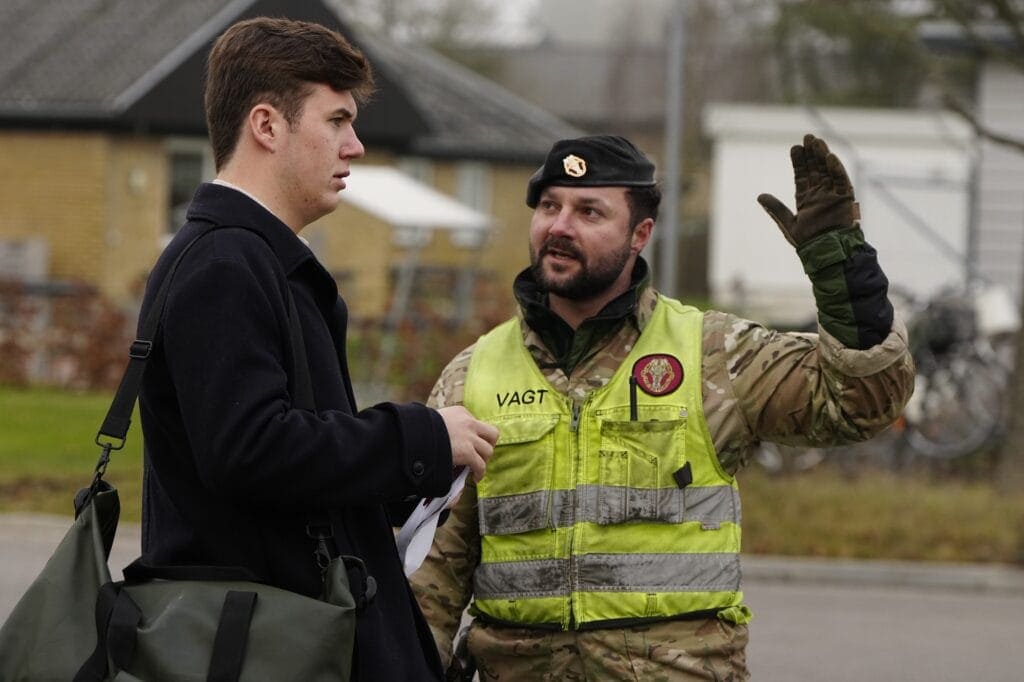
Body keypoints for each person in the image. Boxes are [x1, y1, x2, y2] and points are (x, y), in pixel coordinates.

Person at [410, 134, 915, 679]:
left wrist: (839, 265)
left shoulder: (713, 354)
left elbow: (861, 401)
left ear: (640, 235)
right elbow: (433, 574)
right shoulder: (472, 375)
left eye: (589, 211)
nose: (559, 225)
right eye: (550, 206)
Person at [137, 17, 497, 681]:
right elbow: (250, 450)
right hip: (266, 648)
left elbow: (284, 473)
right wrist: (414, 439)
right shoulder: (226, 265)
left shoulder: (255, 261)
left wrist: (410, 480)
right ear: (267, 126)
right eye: (336, 121)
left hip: (278, 638)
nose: (355, 147)